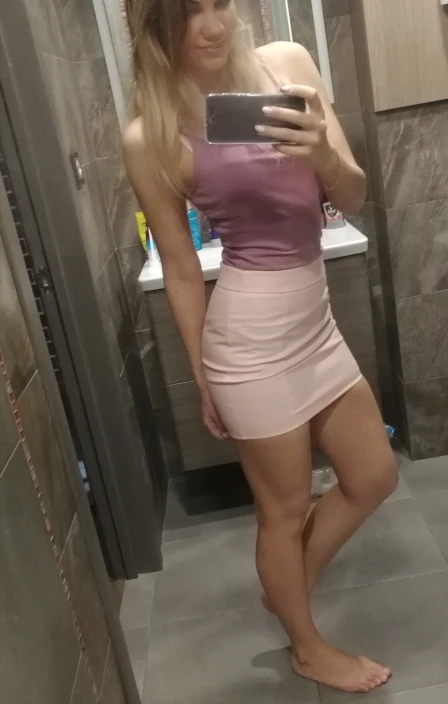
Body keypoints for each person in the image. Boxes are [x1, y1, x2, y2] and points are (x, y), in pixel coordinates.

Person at [123, 0, 398, 695]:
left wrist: (323, 152)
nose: (212, 25)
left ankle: (287, 587)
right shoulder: (151, 134)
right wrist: (203, 378)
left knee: (373, 475)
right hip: (249, 343)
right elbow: (182, 270)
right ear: (156, 27)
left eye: (219, 3)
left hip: (316, 325)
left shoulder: (288, 67)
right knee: (283, 510)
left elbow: (355, 194)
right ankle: (307, 647)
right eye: (188, 13)